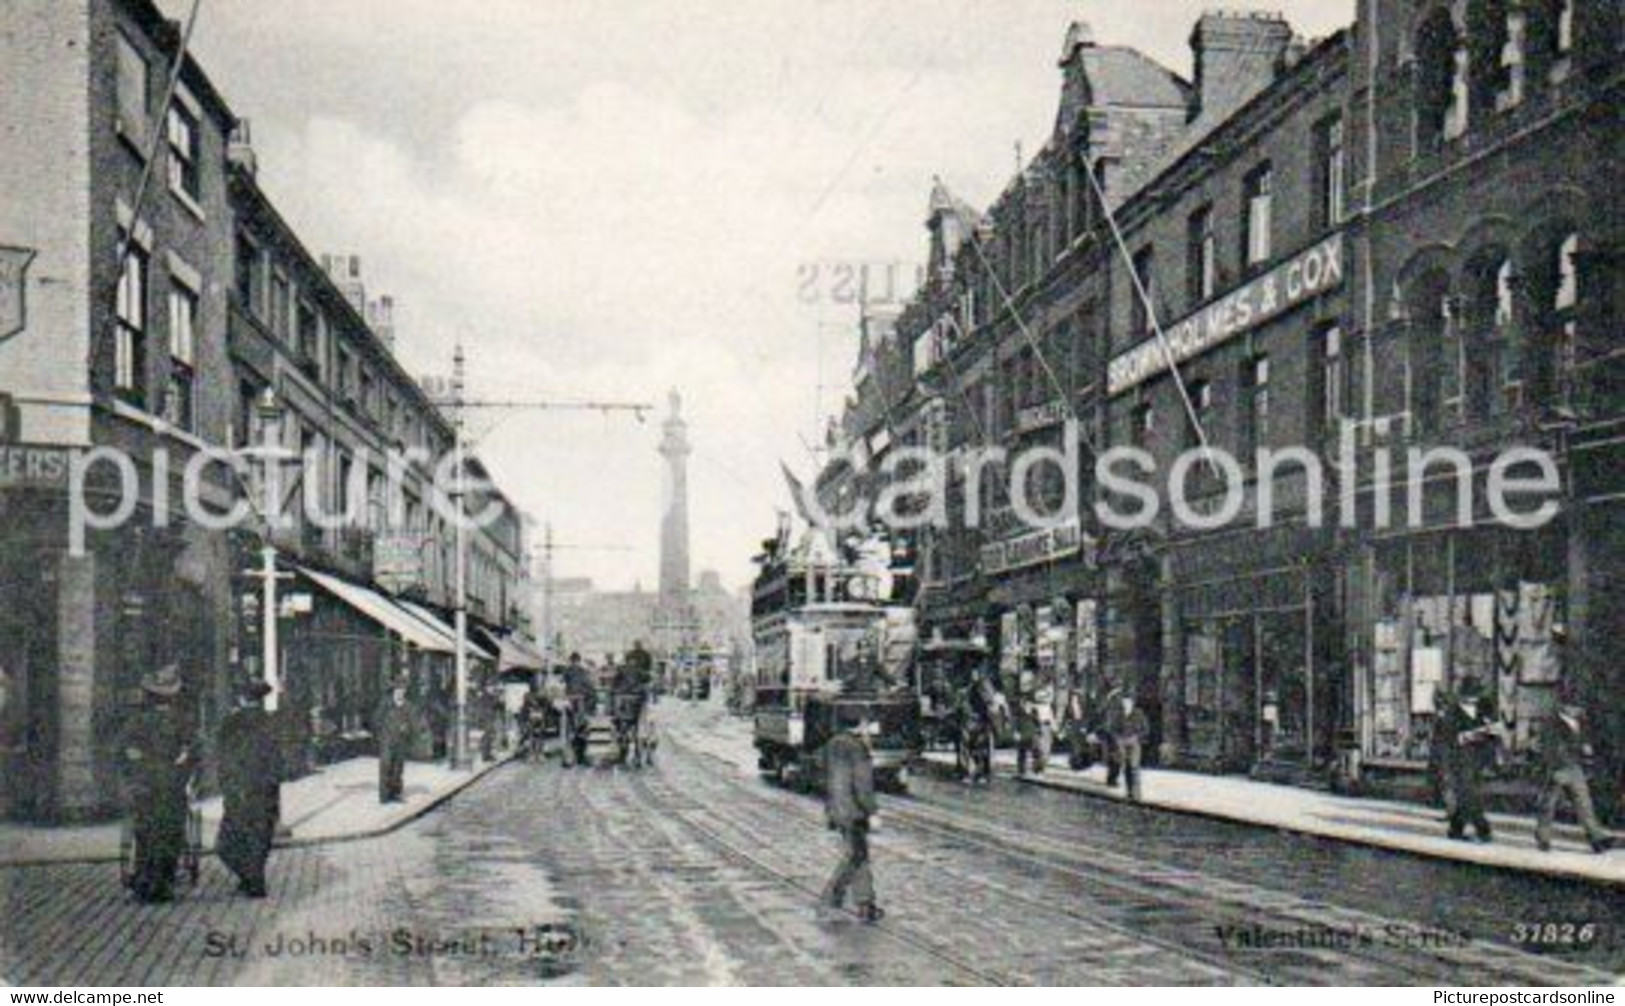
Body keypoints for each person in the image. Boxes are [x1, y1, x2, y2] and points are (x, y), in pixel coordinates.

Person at [121, 665, 193, 904]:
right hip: (172, 785)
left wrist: (139, 766)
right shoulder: (182, 721)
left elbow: (127, 751)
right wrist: (181, 765)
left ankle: (144, 880)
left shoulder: (138, 721)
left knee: (145, 833)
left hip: (146, 784)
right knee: (170, 832)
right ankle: (164, 882)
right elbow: (191, 753)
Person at [217, 679, 281, 898]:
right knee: (260, 838)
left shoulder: (231, 723)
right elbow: (280, 759)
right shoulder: (272, 722)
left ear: (241, 699)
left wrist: (225, 784)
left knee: (227, 843)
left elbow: (222, 757)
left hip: (239, 791)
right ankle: (254, 880)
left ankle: (251, 880)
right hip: (266, 792)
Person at [821, 714, 883, 923]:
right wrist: (872, 811)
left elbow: (828, 777)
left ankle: (865, 904)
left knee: (858, 855)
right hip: (854, 811)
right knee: (856, 856)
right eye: (867, 723)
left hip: (837, 808)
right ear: (860, 724)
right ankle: (834, 897)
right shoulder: (858, 748)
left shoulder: (833, 744)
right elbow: (862, 784)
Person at [1534, 700, 1615, 854]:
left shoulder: (1577, 723)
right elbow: (1549, 748)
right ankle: (1543, 838)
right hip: (1558, 768)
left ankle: (1596, 838)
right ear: (1566, 707)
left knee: (1584, 803)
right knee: (1548, 805)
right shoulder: (1551, 724)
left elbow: (1581, 743)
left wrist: (1584, 750)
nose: (1579, 710)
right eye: (1576, 707)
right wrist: (1556, 766)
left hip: (1574, 767)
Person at [1435, 678, 1498, 842]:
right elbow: (1447, 740)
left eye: (1476, 696)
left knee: (1468, 795)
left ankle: (1455, 829)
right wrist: (1470, 735)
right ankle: (1483, 830)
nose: (1474, 699)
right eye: (1471, 696)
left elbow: (1493, 731)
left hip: (1478, 760)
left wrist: (1491, 731)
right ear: (1463, 696)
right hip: (1459, 760)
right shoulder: (1452, 713)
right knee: (1471, 795)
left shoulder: (1482, 710)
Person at [1105, 691, 1150, 801]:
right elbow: (1112, 729)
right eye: (1124, 702)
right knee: (1127, 769)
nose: (1125, 705)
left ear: (1132, 703)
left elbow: (1145, 730)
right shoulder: (1119, 715)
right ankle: (1130, 793)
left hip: (1134, 745)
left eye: (1128, 702)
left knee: (1134, 767)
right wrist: (1117, 739)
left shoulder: (1139, 714)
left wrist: (1136, 737)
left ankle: (1137, 795)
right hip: (1122, 745)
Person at [376, 682, 414, 803]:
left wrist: (407, 728)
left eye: (402, 690)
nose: (400, 693)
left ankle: (396, 794)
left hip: (401, 741)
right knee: (386, 767)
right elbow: (376, 719)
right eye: (398, 690)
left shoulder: (408, 705)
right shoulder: (386, 704)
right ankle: (384, 795)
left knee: (398, 768)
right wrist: (382, 735)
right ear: (393, 691)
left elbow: (413, 723)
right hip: (387, 741)